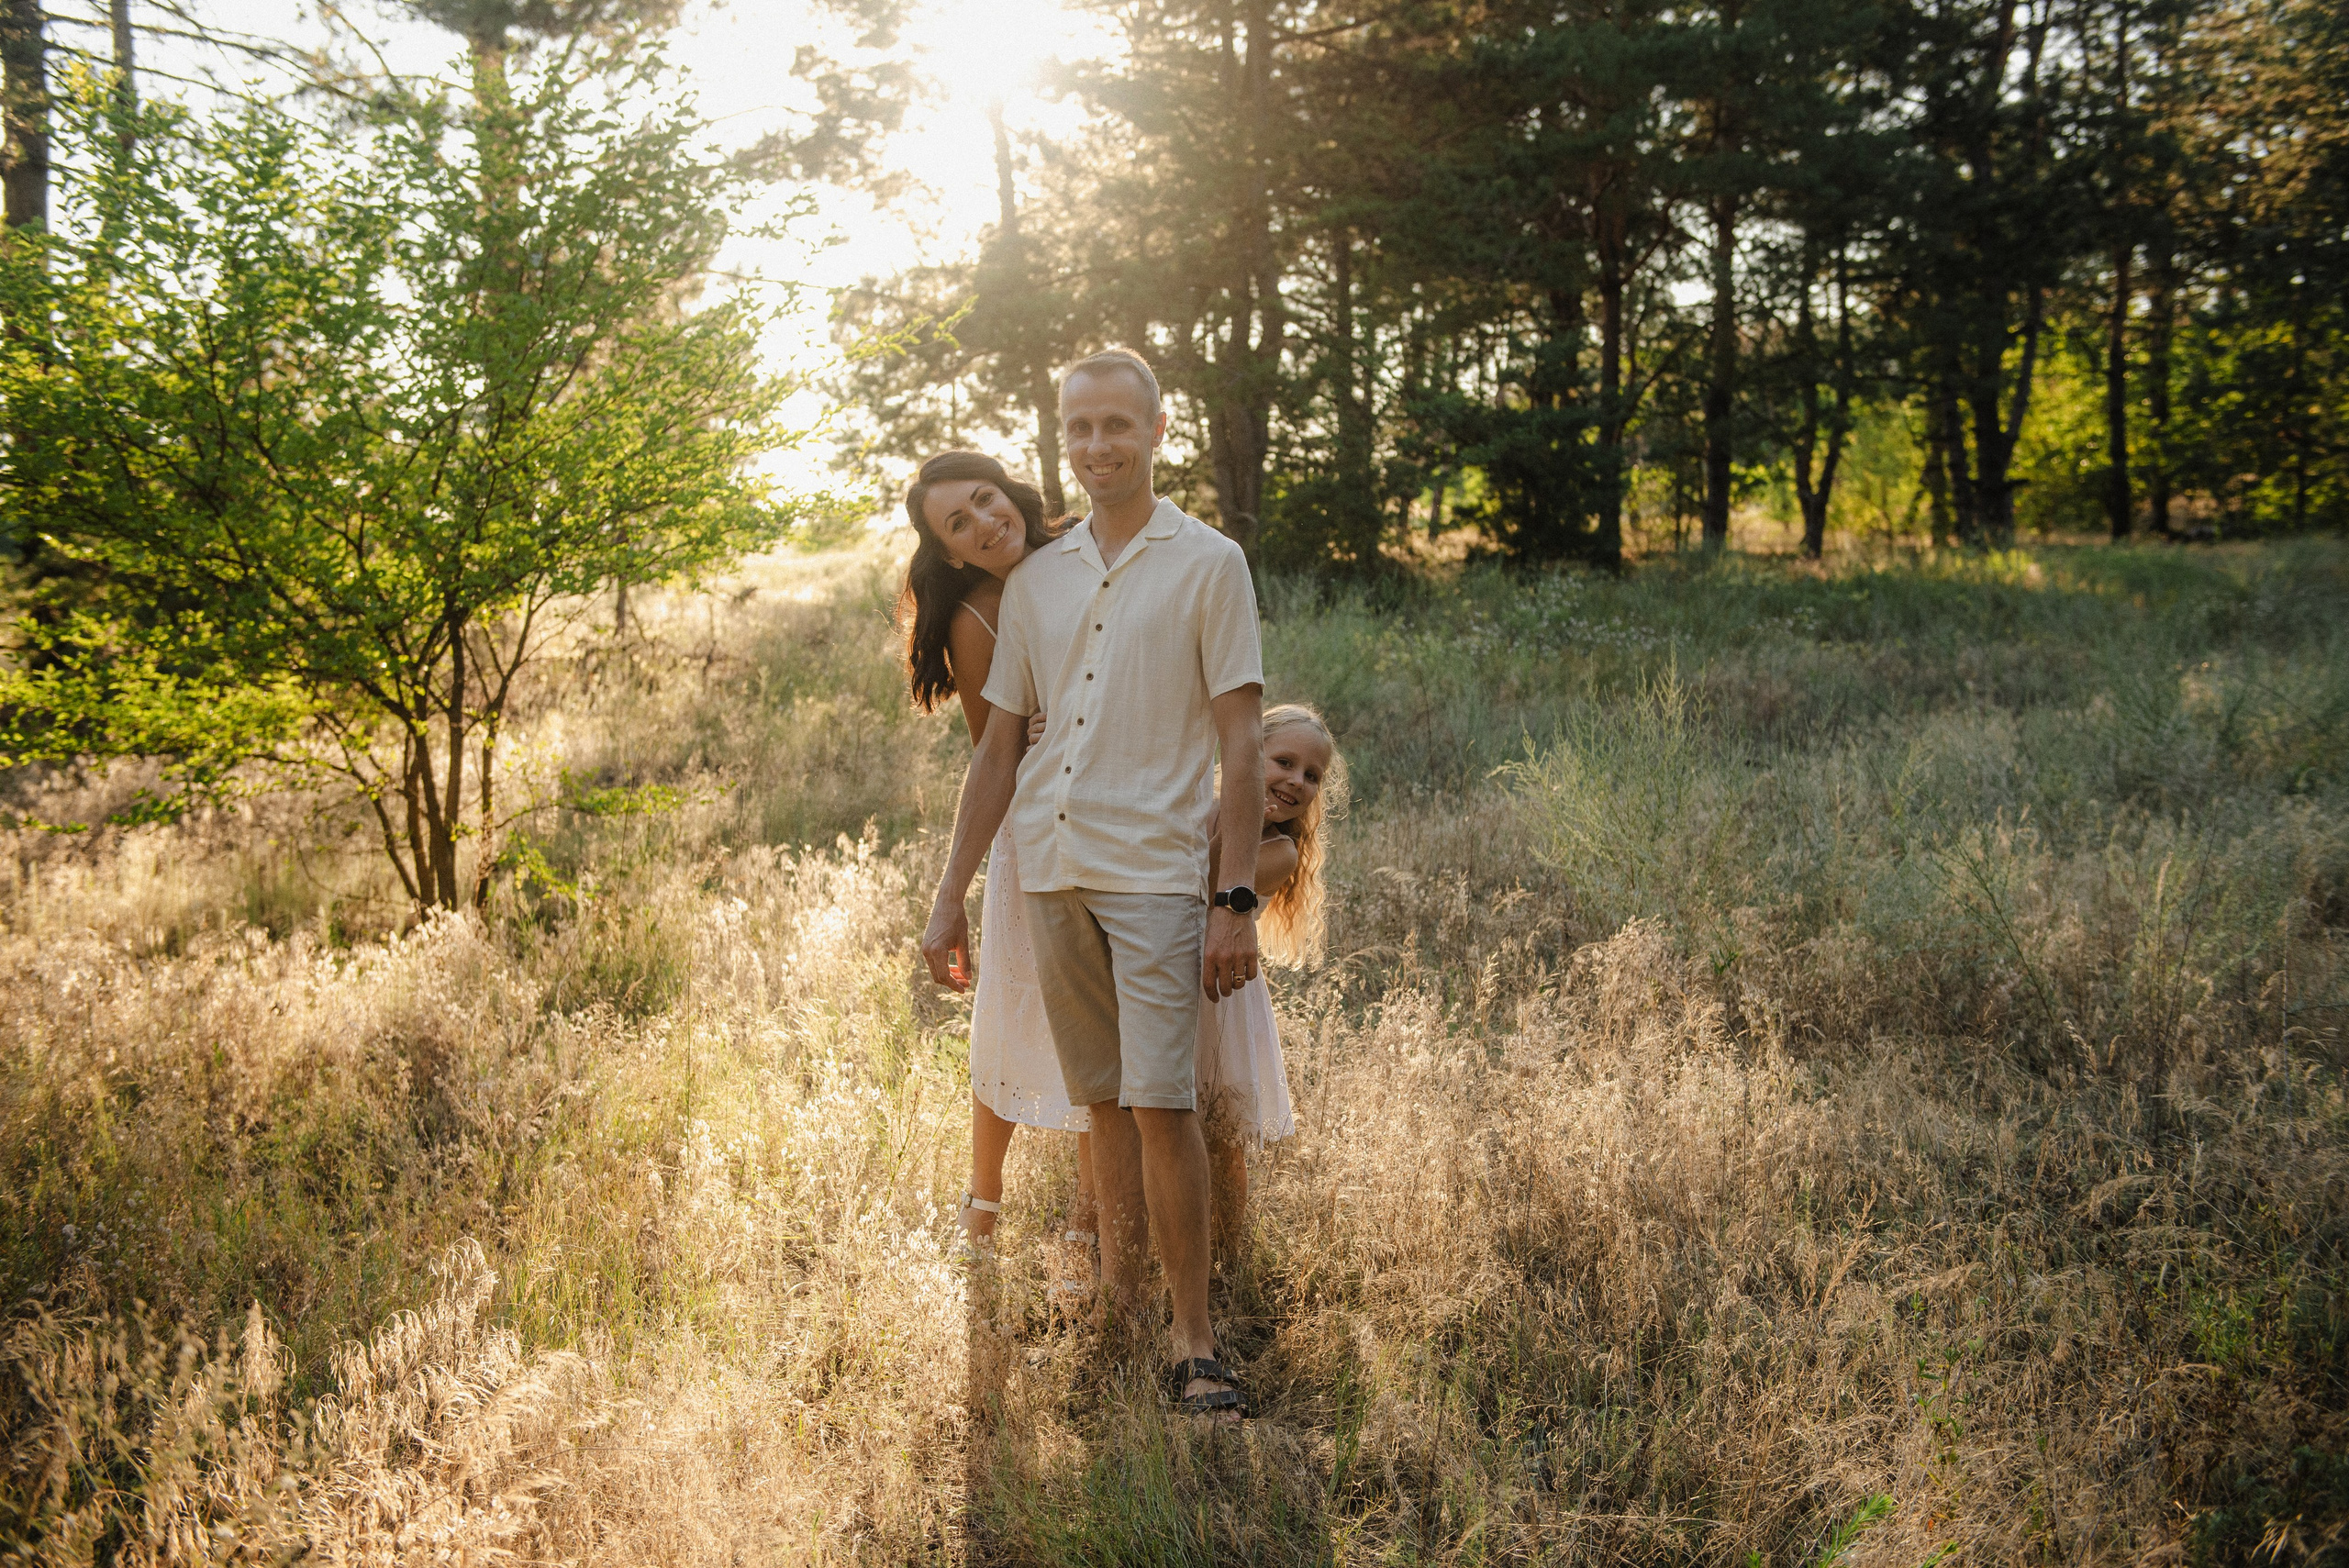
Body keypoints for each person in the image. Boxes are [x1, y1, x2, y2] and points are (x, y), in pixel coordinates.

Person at [920, 346, 1264, 1421]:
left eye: (1118, 425)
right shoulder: (1037, 581)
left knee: (1164, 1106)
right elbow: (997, 752)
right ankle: (1121, 1314)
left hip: (1156, 872)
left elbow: (1243, 743)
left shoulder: (1210, 561)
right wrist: (949, 895)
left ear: (1156, 431)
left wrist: (1233, 898)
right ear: (1059, 441)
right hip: (1053, 871)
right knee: (1102, 1104)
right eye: (1079, 429)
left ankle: (1194, 1343)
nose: (1098, 445)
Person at [1029, 701, 1345, 1260]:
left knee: (1218, 1134)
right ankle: (1093, 1235)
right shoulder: (1193, 801)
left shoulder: (1277, 852)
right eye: (1282, 762)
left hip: (1215, 997)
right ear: (1247, 754)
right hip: (1151, 973)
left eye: (1311, 775)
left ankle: (1226, 1258)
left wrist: (1237, 805)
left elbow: (1202, 869)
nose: (1296, 781)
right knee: (1113, 1111)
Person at [896, 450, 1098, 1292]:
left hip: (1135, 816)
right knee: (1014, 1009)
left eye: (986, 499)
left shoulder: (1092, 553)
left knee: (1109, 1030)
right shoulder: (976, 614)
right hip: (1042, 828)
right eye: (959, 523)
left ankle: (1096, 1224)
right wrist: (952, 894)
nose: (985, 522)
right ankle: (983, 1201)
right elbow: (998, 754)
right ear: (948, 552)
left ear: (1011, 491)